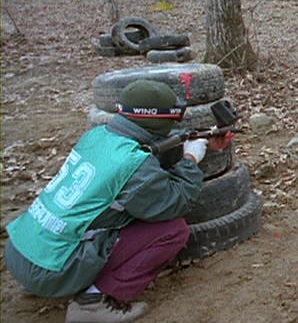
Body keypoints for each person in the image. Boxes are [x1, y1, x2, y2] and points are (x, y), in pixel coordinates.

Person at [3, 79, 227, 323]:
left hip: (21, 252)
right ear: (160, 120)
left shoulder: (98, 136)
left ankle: (54, 281)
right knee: (172, 231)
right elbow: (176, 200)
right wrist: (191, 160)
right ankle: (91, 304)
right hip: (51, 271)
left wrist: (197, 140)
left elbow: (148, 151)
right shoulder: (135, 167)